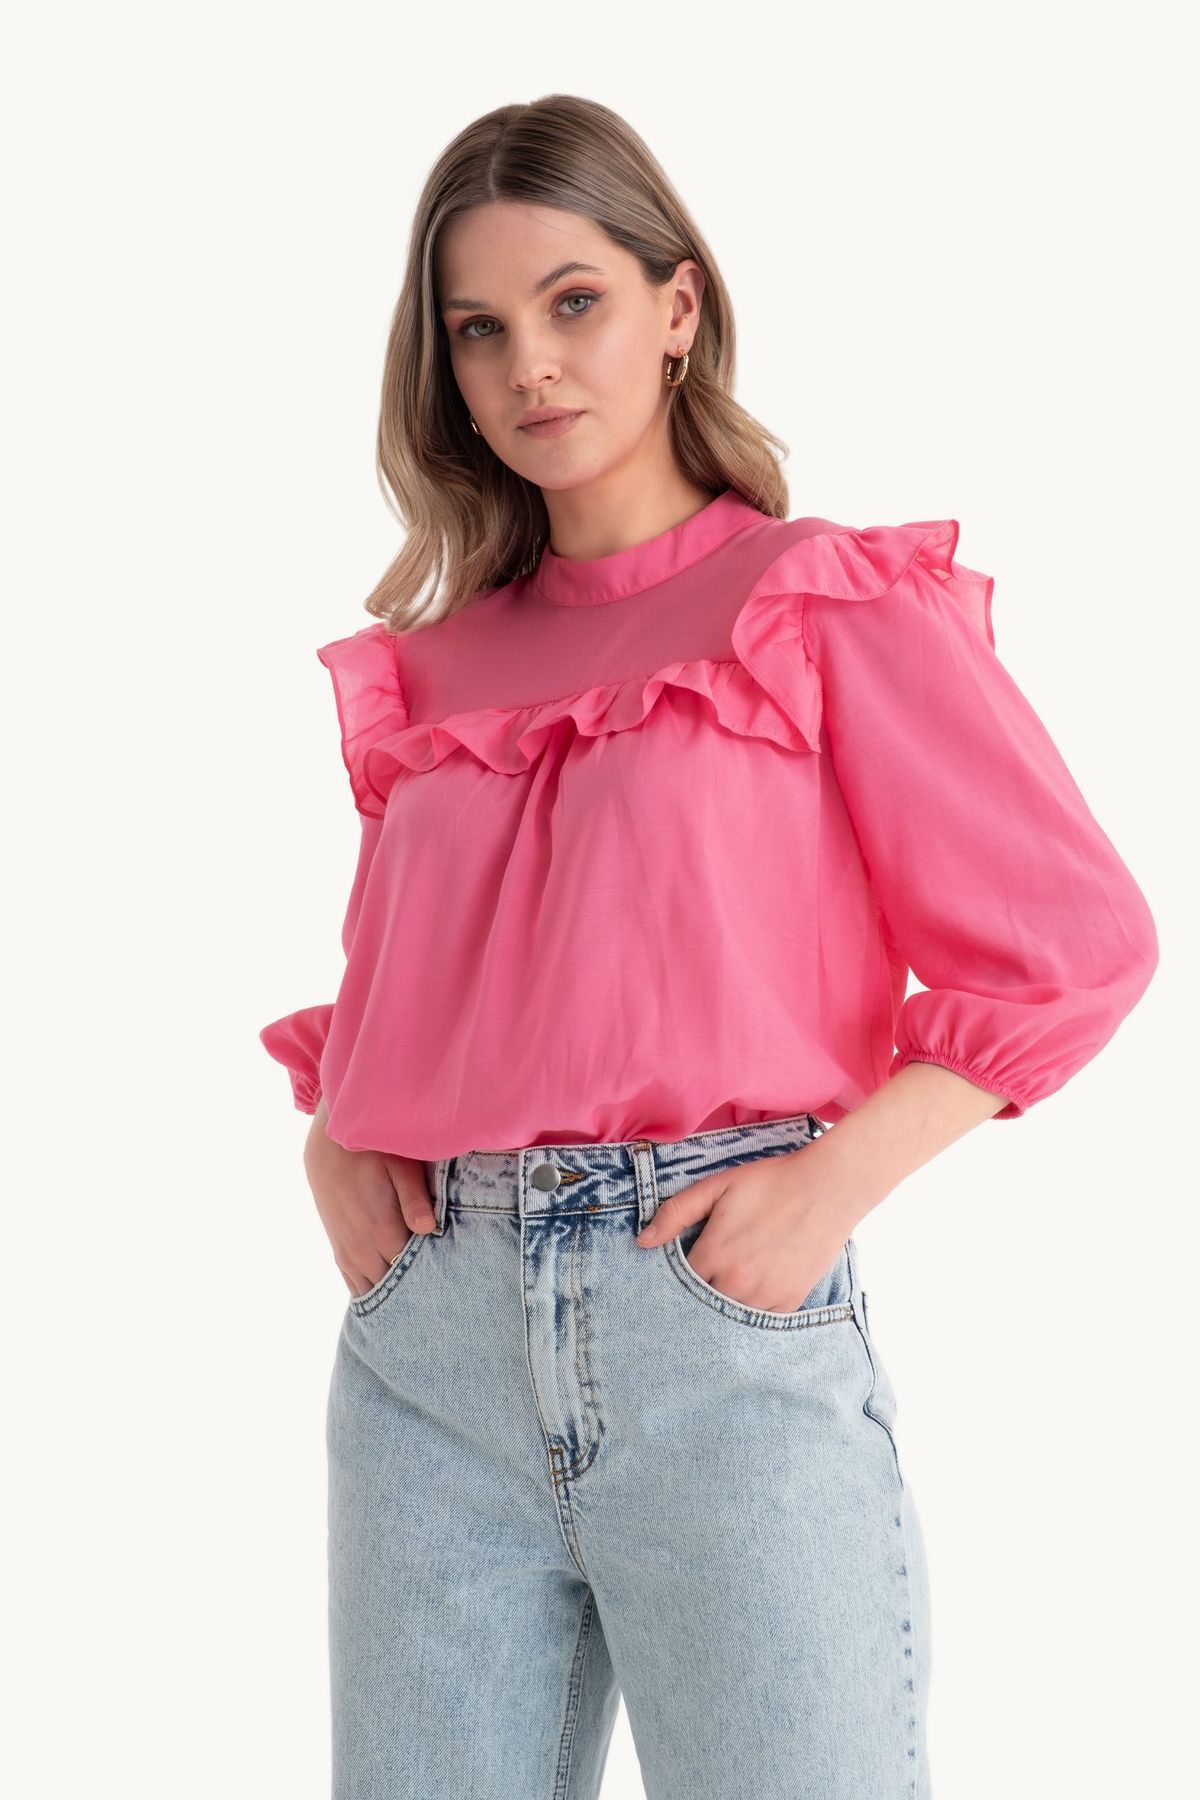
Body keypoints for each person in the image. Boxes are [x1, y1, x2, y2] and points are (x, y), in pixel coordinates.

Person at [258, 95, 1158, 1800]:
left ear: (678, 306)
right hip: (429, 1366)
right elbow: (407, 979)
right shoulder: (434, 671)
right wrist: (334, 1133)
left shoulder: (815, 601)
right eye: (480, 329)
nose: (531, 364)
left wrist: (827, 1187)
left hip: (714, 1323)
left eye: (574, 301)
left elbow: (1072, 942)